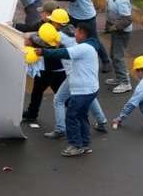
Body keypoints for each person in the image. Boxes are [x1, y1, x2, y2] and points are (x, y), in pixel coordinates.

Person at [33, 0, 112, 71]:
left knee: (94, 40)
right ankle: (53, 52)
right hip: (72, 14)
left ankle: (106, 62)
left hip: (86, 17)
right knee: (58, 28)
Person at [43, 9, 109, 139]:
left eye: (52, 21)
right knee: (89, 97)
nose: (50, 22)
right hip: (87, 74)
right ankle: (101, 121)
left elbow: (44, 42)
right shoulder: (74, 30)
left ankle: (61, 129)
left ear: (57, 23)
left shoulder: (60, 36)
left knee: (59, 100)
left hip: (74, 74)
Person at [39, 22, 100, 157]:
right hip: (89, 89)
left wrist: (42, 52)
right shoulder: (89, 46)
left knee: (72, 117)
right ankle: (84, 144)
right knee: (81, 116)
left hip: (82, 91)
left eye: (77, 32)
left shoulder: (84, 48)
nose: (75, 35)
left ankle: (75, 145)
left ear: (83, 33)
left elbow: (63, 53)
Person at [22, 23, 66, 124]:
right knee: (36, 92)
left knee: (62, 99)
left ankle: (73, 118)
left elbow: (33, 38)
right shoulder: (58, 42)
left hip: (55, 74)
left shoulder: (41, 43)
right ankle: (32, 113)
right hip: (46, 72)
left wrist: (30, 38)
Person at [103, 0, 133, 94]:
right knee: (114, 55)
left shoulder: (121, 1)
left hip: (122, 32)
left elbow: (127, 19)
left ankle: (125, 83)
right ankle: (119, 78)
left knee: (117, 56)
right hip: (116, 30)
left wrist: (114, 27)